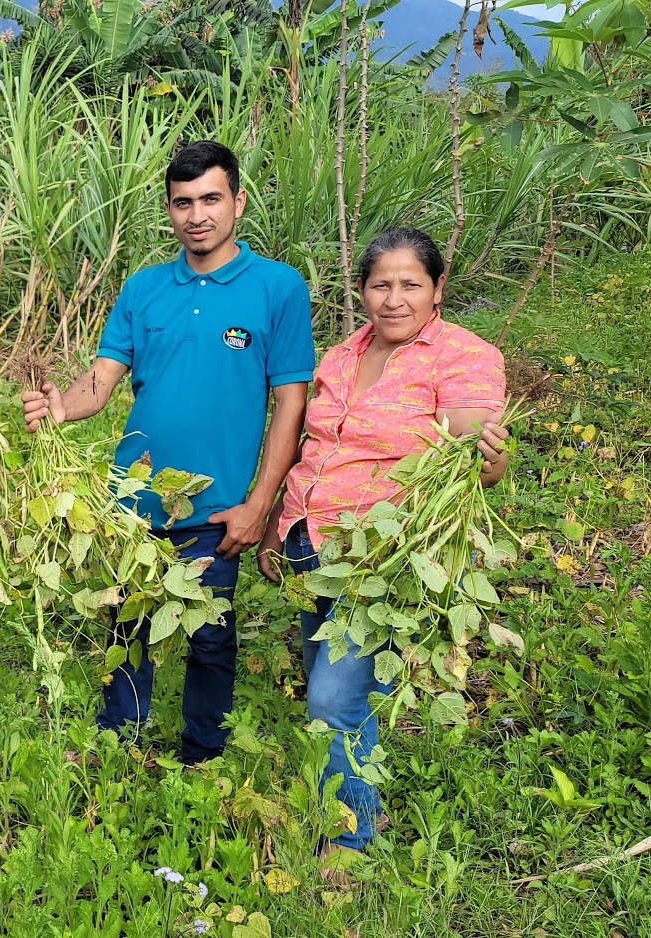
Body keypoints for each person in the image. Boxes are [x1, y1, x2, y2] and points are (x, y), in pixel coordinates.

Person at [20, 140, 315, 765]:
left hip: (216, 506)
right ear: (169, 210)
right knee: (127, 625)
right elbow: (101, 380)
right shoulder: (144, 288)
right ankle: (116, 746)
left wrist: (259, 503)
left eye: (211, 199)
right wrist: (58, 407)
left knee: (210, 635)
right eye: (183, 203)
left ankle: (201, 755)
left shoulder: (277, 288)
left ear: (237, 200)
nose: (197, 215)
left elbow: (291, 404)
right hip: (134, 497)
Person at [258, 226, 509, 871]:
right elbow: (311, 448)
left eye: (410, 285)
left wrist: (486, 463)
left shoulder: (464, 357)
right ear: (362, 289)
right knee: (335, 684)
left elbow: (470, 458)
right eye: (380, 285)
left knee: (332, 698)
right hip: (310, 542)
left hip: (380, 560)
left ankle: (347, 839)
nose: (394, 299)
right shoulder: (341, 355)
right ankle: (357, 798)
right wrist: (274, 525)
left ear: (437, 289)